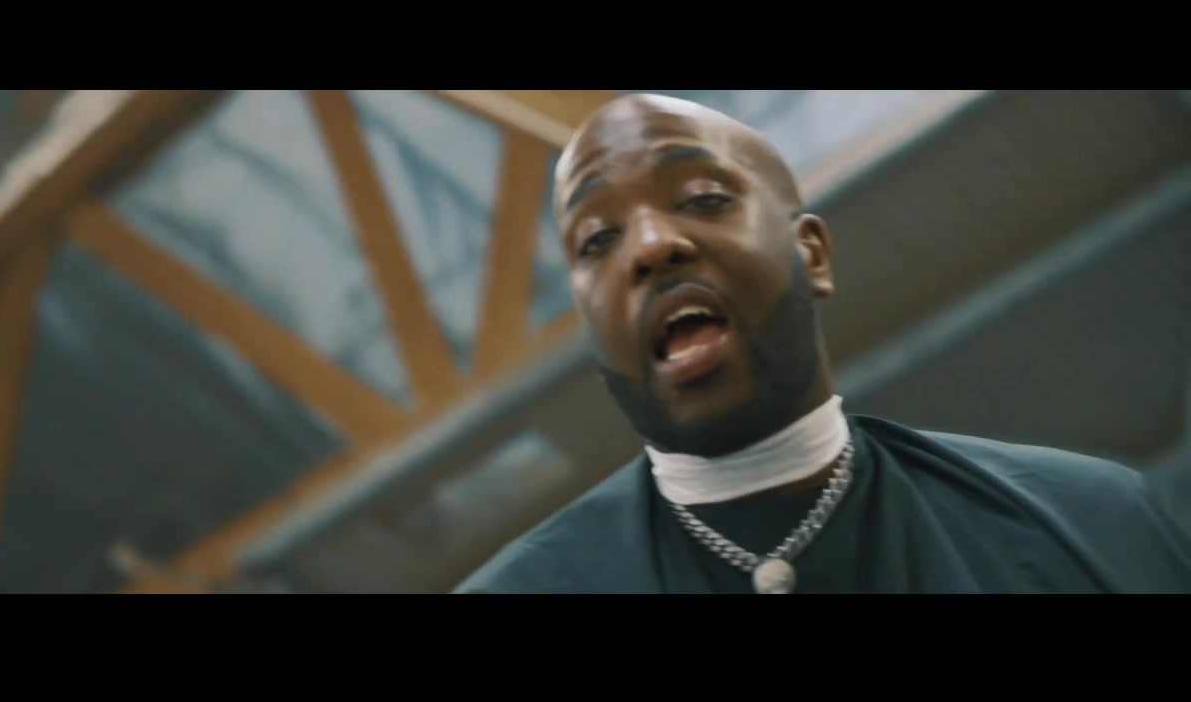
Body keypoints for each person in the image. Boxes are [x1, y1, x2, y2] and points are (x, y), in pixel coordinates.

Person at [454, 93, 1191, 594]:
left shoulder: (1088, 521)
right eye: (597, 240)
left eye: (704, 199)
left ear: (812, 254)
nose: (650, 245)